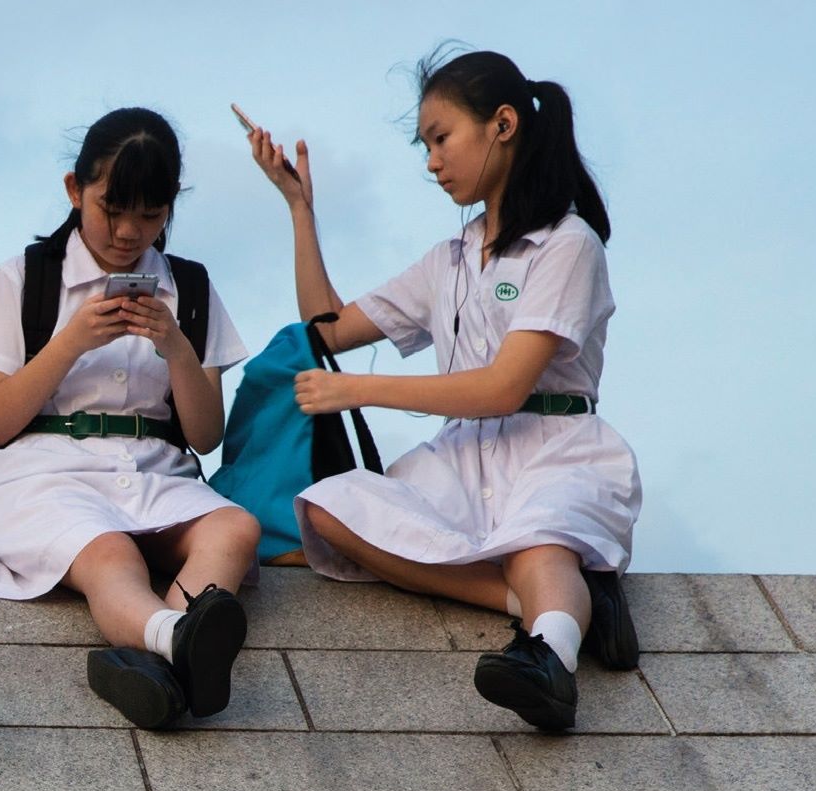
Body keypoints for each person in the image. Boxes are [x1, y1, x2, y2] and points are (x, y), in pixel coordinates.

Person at [245, 46, 642, 732]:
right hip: (458, 459)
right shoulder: (447, 259)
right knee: (328, 506)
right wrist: (298, 210)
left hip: (553, 444)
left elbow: (502, 387)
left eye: (440, 137)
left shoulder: (567, 244)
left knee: (539, 542)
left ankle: (548, 657)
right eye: (425, 144)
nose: (431, 160)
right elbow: (327, 330)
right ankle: (553, 605)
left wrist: (361, 391)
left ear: (503, 124)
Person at [0, 106, 258, 729]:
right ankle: (174, 637)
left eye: (149, 214)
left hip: (155, 473)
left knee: (236, 530)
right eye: (111, 209)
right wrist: (69, 343)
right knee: (112, 553)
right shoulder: (25, 278)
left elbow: (204, 434)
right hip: (43, 473)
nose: (127, 231)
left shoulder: (189, 288)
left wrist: (175, 347)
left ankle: (152, 665)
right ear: (74, 190)